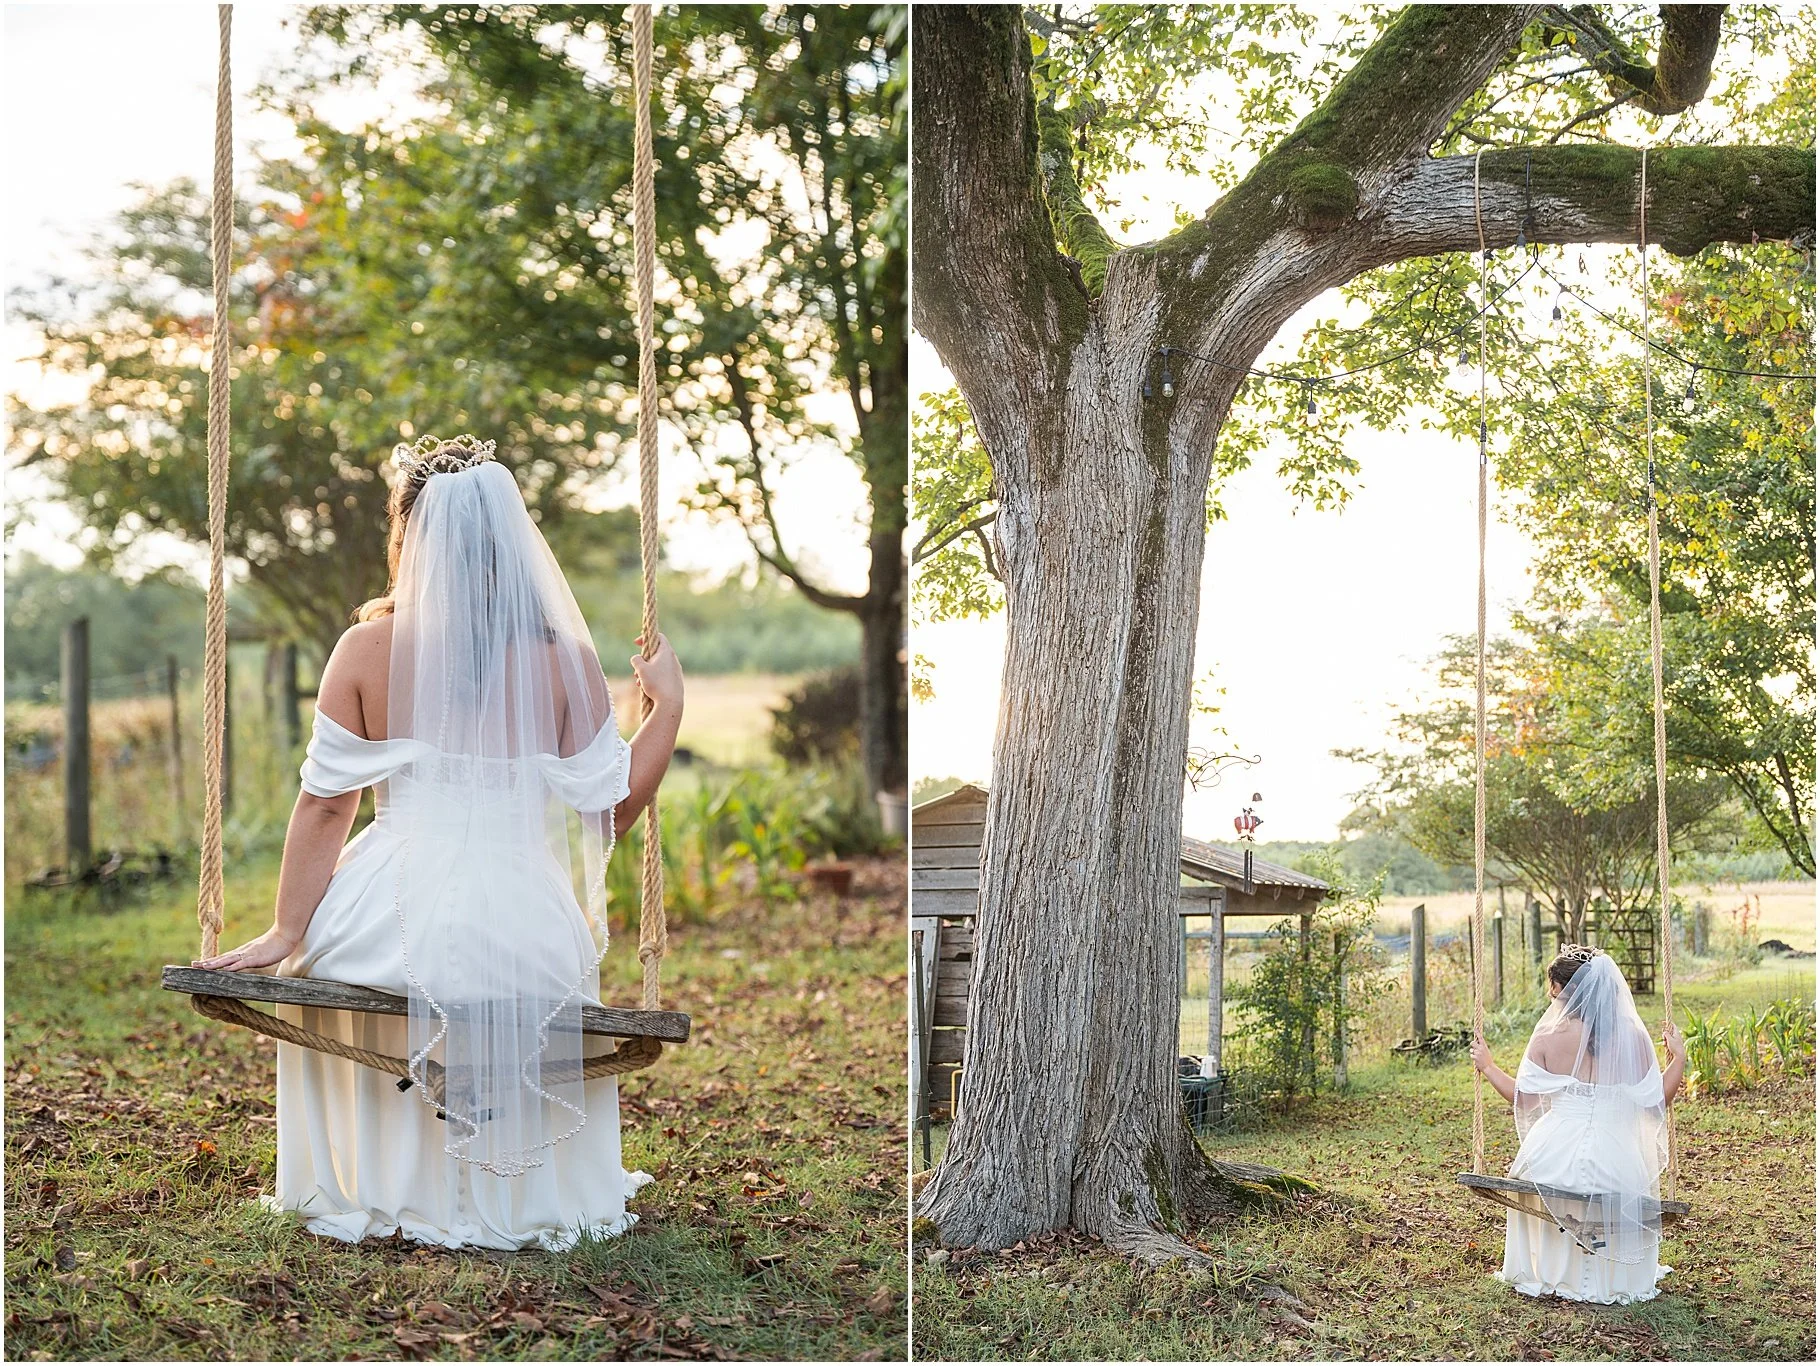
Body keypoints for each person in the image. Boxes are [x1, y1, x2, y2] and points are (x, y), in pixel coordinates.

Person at [195, 434, 685, 1251]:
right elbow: (613, 812)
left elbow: (326, 809)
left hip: (389, 903)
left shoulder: (365, 650)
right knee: (516, 967)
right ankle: (517, 1191)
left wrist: (287, 929)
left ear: (406, 537)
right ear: (512, 544)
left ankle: (382, 1182)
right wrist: (664, 710)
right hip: (524, 912)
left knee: (334, 961)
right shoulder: (562, 658)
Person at [1470, 944, 1687, 1303]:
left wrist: (1489, 1066)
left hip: (1555, 1149)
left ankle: (1552, 1271)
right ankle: (1610, 1276)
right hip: (1615, 1152)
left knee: (1537, 1183)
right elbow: (1657, 1101)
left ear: (1559, 990)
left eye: (1550, 987)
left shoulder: (1547, 1038)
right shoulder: (1633, 1038)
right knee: (1609, 1190)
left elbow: (1522, 1098)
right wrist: (1678, 1058)